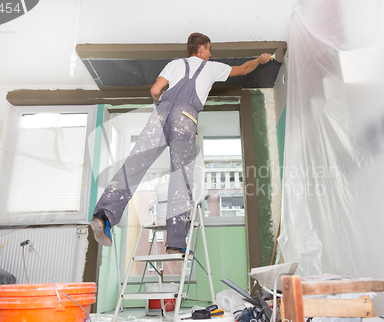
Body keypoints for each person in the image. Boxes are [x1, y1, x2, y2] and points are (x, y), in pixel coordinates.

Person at [91, 32, 272, 253]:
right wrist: (261, 60)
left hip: (160, 114)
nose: (211, 53)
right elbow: (243, 69)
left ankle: (103, 215)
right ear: (202, 49)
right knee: (181, 177)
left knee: (134, 165)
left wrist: (164, 102)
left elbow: (155, 90)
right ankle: (175, 243)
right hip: (185, 118)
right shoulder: (211, 67)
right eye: (209, 48)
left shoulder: (174, 64)